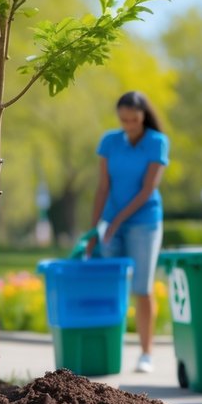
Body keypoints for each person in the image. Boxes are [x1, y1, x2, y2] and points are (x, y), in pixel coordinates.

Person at [85, 91, 170, 374]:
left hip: (144, 222)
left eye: (133, 120)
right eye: (124, 120)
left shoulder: (157, 142)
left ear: (144, 116)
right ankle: (113, 349)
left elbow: (147, 190)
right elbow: (102, 188)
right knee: (113, 287)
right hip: (111, 222)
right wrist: (94, 230)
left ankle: (146, 353)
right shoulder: (109, 142)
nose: (129, 125)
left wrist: (117, 221)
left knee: (142, 288)